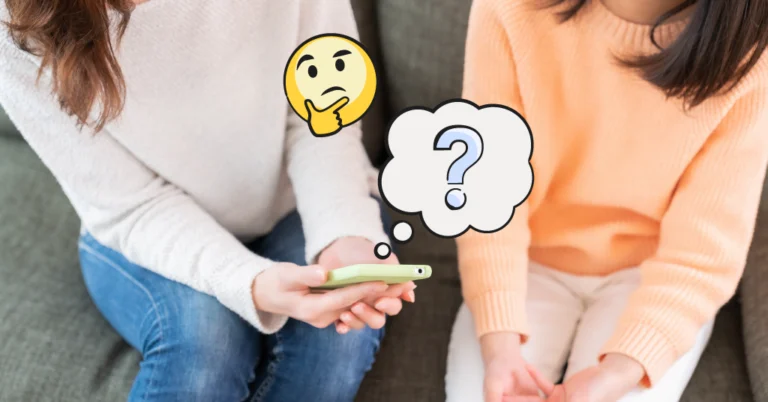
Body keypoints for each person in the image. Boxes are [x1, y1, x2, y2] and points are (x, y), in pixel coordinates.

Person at [0, 1, 417, 401]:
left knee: (340, 341)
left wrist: (344, 233)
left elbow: (322, 117)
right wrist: (247, 282)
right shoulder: (14, 24)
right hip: (143, 225)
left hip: (291, 199)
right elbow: (130, 204)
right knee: (205, 348)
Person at [445, 0, 768, 401]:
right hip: (525, 261)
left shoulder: (752, 55)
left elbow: (704, 252)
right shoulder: (508, 9)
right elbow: (484, 193)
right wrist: (500, 346)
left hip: (650, 276)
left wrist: (622, 368)